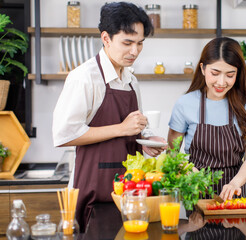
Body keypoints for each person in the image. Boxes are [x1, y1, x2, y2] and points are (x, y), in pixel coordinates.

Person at [52, 2, 166, 231]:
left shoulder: (131, 80)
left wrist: (146, 140)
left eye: (140, 43)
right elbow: (64, 135)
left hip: (132, 192)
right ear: (106, 38)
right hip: (95, 191)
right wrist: (121, 129)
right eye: (127, 43)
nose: (135, 51)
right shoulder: (84, 78)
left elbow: (134, 128)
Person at [168, 37, 246, 201]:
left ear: (238, 73)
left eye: (230, 75)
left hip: (237, 193)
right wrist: (188, 170)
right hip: (196, 191)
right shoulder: (185, 104)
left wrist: (235, 183)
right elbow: (172, 153)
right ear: (203, 69)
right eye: (215, 73)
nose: (221, 82)